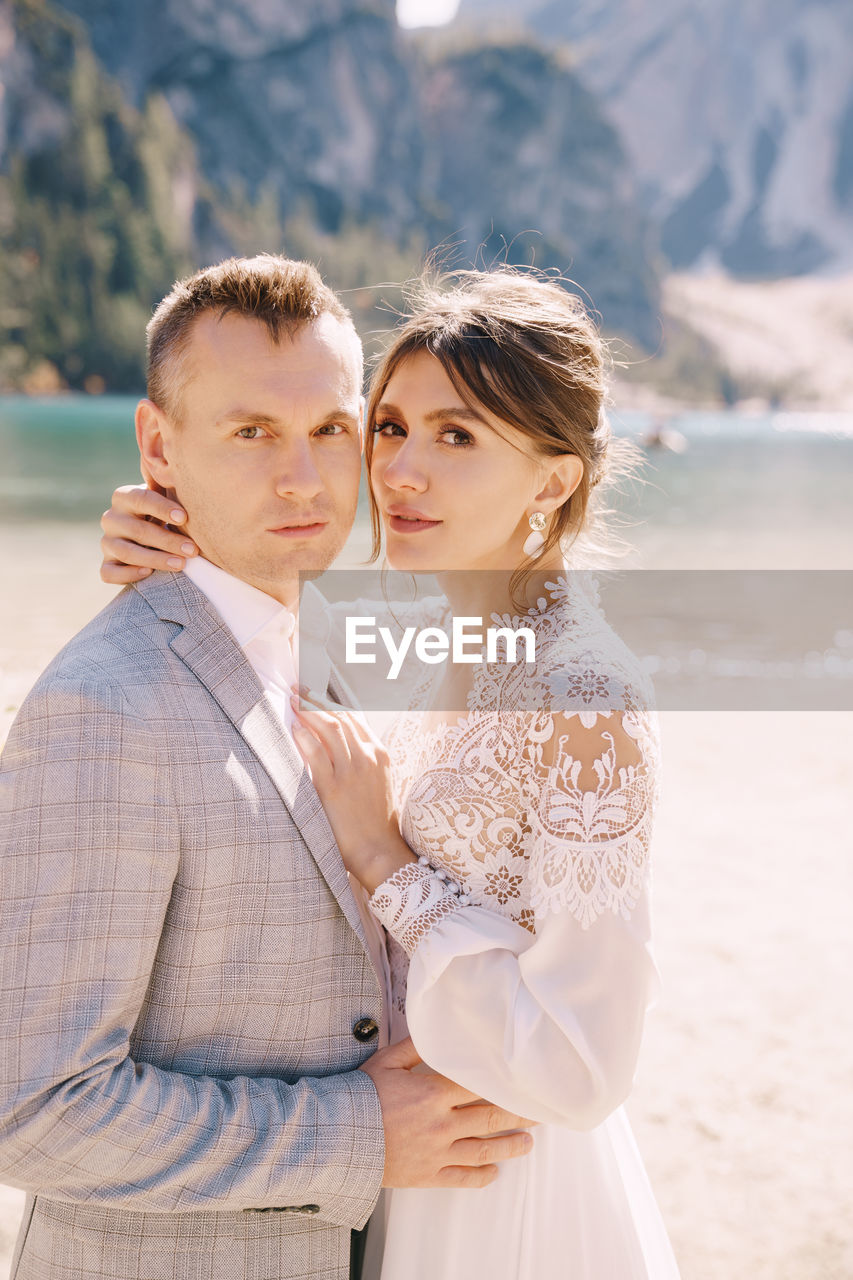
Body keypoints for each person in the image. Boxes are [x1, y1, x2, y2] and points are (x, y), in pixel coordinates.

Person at [99, 268, 682, 1278]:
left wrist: (384, 857)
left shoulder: (586, 695)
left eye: (457, 437)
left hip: (512, 1191)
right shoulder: (432, 640)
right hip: (407, 1164)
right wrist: (172, 533)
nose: (400, 470)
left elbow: (586, 1066)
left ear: (551, 480)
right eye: (389, 425)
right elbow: (269, 651)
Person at [0, 256, 538, 1280]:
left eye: (331, 428)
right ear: (159, 445)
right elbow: (28, 1106)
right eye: (250, 433)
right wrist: (359, 1132)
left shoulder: (327, 643)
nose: (303, 477)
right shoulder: (101, 709)